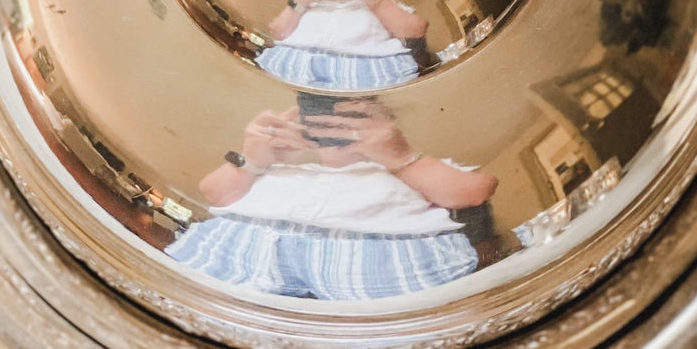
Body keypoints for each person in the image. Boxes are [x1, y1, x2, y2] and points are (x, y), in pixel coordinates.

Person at [170, 98, 496, 301]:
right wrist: (252, 159)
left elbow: (474, 191)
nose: (339, 130)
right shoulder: (284, 169)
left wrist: (401, 156)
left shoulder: (405, 169)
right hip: (248, 254)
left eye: (358, 120)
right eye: (324, 125)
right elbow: (215, 193)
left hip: (377, 268)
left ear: (390, 128)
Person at [256, 0, 428, 91]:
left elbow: (415, 30)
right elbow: (278, 33)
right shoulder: (310, 6)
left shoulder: (381, 5)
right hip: (294, 72)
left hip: (367, 76)